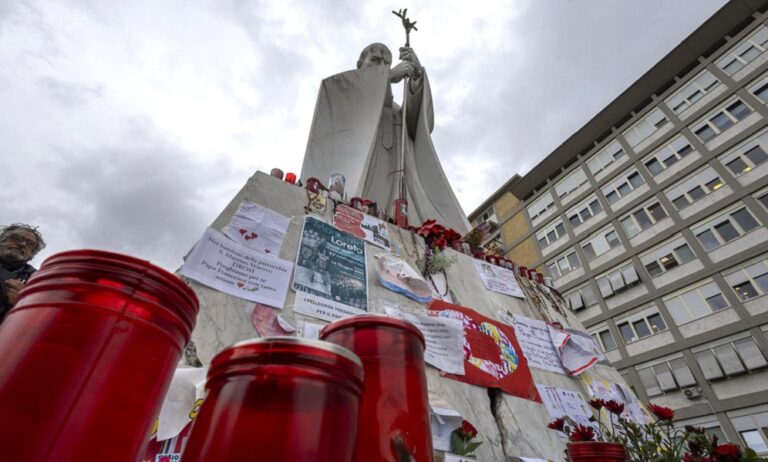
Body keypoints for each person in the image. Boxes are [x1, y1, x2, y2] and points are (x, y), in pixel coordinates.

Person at [300, 42, 470, 234]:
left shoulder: (398, 112)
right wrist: (387, 76)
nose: (382, 66)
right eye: (375, 60)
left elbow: (421, 125)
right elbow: (334, 93)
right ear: (360, 64)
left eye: (386, 63)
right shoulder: (345, 93)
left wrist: (417, 77)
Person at [0, 223, 45, 322]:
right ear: (2, 241)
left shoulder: (38, 280)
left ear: (31, 254)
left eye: (30, 244)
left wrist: (24, 301)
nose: (23, 244)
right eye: (16, 238)